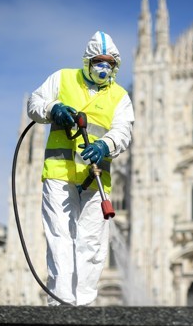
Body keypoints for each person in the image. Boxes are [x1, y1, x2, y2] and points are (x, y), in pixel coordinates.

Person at [27, 31, 134, 306]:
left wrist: (105, 145)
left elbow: (123, 131)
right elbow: (34, 103)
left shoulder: (120, 96)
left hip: (96, 177)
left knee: (92, 244)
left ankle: (83, 306)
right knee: (60, 237)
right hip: (59, 174)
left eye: (109, 64)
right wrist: (53, 109)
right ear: (87, 61)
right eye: (99, 61)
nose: (104, 68)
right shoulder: (62, 78)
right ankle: (62, 304)